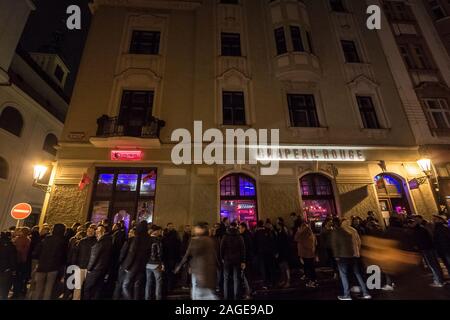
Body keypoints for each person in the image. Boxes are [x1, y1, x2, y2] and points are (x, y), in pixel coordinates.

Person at [175, 222, 219, 300]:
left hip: (200, 272)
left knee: (201, 293)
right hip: (204, 272)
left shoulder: (198, 240)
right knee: (204, 293)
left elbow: (188, 254)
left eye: (196, 228)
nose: (194, 230)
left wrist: (180, 265)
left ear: (201, 229)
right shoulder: (209, 240)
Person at [331, 218, 371, 300]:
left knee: (344, 275)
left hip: (343, 256)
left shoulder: (339, 231)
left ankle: (347, 295)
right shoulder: (353, 230)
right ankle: (366, 293)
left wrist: (336, 255)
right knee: (357, 273)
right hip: (355, 255)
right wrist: (357, 251)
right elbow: (359, 242)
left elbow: (335, 245)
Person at [32, 224, 67, 300]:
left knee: (38, 288)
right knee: (49, 288)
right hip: (53, 267)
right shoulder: (63, 241)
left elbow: (37, 251)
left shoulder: (46, 239)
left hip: (42, 265)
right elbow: (63, 256)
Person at [409, 217, 445, 287]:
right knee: (434, 264)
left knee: (433, 265)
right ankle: (439, 279)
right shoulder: (422, 228)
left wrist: (418, 246)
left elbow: (423, 240)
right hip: (429, 247)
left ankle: (439, 281)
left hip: (427, 249)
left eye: (413, 222)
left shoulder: (419, 230)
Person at [121, 221, 151, 300]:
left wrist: (127, 266)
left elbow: (132, 253)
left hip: (134, 265)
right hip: (142, 265)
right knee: (137, 285)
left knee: (125, 285)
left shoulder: (137, 238)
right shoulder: (149, 238)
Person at [83, 224, 112, 300]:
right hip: (103, 269)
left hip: (95, 269)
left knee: (87, 288)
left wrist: (89, 269)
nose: (96, 232)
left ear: (102, 232)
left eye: (98, 231)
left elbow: (94, 257)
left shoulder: (100, 243)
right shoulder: (109, 241)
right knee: (97, 289)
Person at [220, 222, 246, 300]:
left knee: (226, 279)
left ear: (230, 227)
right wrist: (243, 261)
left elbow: (221, 248)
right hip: (237, 260)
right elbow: (243, 249)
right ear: (236, 227)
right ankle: (236, 296)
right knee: (236, 279)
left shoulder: (225, 236)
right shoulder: (239, 237)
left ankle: (226, 296)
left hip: (227, 260)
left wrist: (222, 258)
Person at [73, 224, 97, 300]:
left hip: (87, 268)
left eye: (91, 231)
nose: (90, 232)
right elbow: (76, 254)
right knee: (80, 287)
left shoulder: (94, 242)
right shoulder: (83, 241)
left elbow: (76, 254)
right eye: (89, 231)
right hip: (84, 267)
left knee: (82, 287)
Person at [295, 221, 318, 288]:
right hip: (308, 254)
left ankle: (312, 281)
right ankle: (313, 280)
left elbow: (296, 238)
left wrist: (299, 232)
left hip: (307, 254)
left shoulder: (306, 235)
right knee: (310, 267)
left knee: (310, 268)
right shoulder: (309, 233)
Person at [145, 226, 164, 300]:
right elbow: (160, 254)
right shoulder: (158, 240)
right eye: (159, 231)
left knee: (148, 283)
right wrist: (162, 263)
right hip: (156, 264)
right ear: (155, 231)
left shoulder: (146, 240)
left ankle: (147, 298)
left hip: (147, 264)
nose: (160, 232)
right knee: (158, 284)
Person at [162, 223, 181, 292]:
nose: (170, 227)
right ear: (167, 227)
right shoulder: (165, 234)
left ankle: (169, 287)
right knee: (168, 272)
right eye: (169, 226)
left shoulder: (174, 235)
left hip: (171, 256)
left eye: (171, 226)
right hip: (167, 256)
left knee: (170, 272)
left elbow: (178, 246)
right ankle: (168, 286)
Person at [12, 227, 31, 298]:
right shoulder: (28, 240)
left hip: (19, 260)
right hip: (22, 260)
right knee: (19, 278)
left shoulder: (21, 239)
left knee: (16, 277)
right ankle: (17, 292)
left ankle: (16, 292)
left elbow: (21, 250)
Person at [0, 232, 17, 300]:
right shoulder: (11, 246)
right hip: (6, 269)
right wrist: (13, 269)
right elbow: (13, 259)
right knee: (5, 287)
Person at [276, 218, 291, 288]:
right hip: (281, 252)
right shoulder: (280, 232)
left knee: (285, 266)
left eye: (277, 224)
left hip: (283, 252)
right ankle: (284, 280)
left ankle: (288, 281)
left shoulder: (283, 233)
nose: (276, 225)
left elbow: (283, 243)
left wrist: (279, 252)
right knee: (282, 266)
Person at [239, 222, 253, 298]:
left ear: (244, 228)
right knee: (247, 276)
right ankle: (249, 291)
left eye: (240, 228)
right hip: (248, 258)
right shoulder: (248, 234)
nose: (239, 229)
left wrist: (243, 261)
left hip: (246, 259)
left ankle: (248, 293)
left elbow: (245, 249)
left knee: (246, 276)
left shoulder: (244, 236)